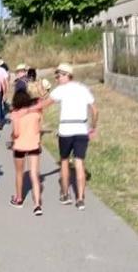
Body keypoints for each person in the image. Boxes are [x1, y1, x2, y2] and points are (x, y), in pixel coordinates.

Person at [37, 63, 98, 211]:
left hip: (66, 129)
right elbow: (95, 110)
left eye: (58, 76)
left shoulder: (61, 90)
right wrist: (93, 127)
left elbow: (45, 104)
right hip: (81, 129)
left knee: (64, 161)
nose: (57, 79)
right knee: (79, 163)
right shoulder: (83, 89)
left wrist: (29, 107)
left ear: (66, 75)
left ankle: (65, 193)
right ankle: (80, 198)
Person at [10, 90, 43, 215]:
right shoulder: (35, 113)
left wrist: (12, 137)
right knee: (34, 174)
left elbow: (16, 132)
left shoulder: (15, 114)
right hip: (33, 144)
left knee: (19, 173)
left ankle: (18, 199)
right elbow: (38, 128)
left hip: (20, 146)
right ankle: (37, 204)